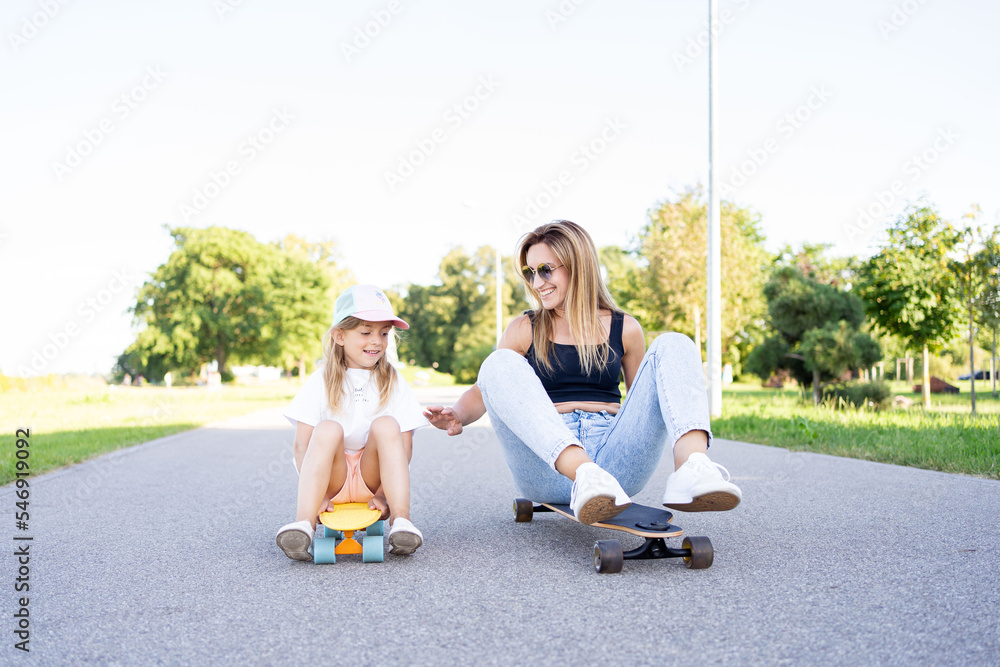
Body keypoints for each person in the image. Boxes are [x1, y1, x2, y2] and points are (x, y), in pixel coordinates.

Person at [425, 220, 741, 525]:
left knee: (675, 343)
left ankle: (693, 467)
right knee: (498, 362)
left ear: (577, 266)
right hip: (547, 465)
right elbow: (486, 389)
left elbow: (645, 401)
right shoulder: (525, 328)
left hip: (616, 463)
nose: (537, 283)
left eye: (546, 269)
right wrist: (457, 414)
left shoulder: (626, 328)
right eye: (530, 273)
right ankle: (584, 473)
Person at [276, 284, 428, 560]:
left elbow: (404, 446)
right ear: (339, 336)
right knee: (328, 428)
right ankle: (303, 524)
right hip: (333, 480)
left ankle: (402, 522)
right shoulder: (321, 380)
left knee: (387, 425)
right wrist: (318, 497)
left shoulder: (393, 380)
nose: (377, 341)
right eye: (366, 332)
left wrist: (382, 495)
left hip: (372, 478)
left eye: (384, 333)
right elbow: (302, 446)